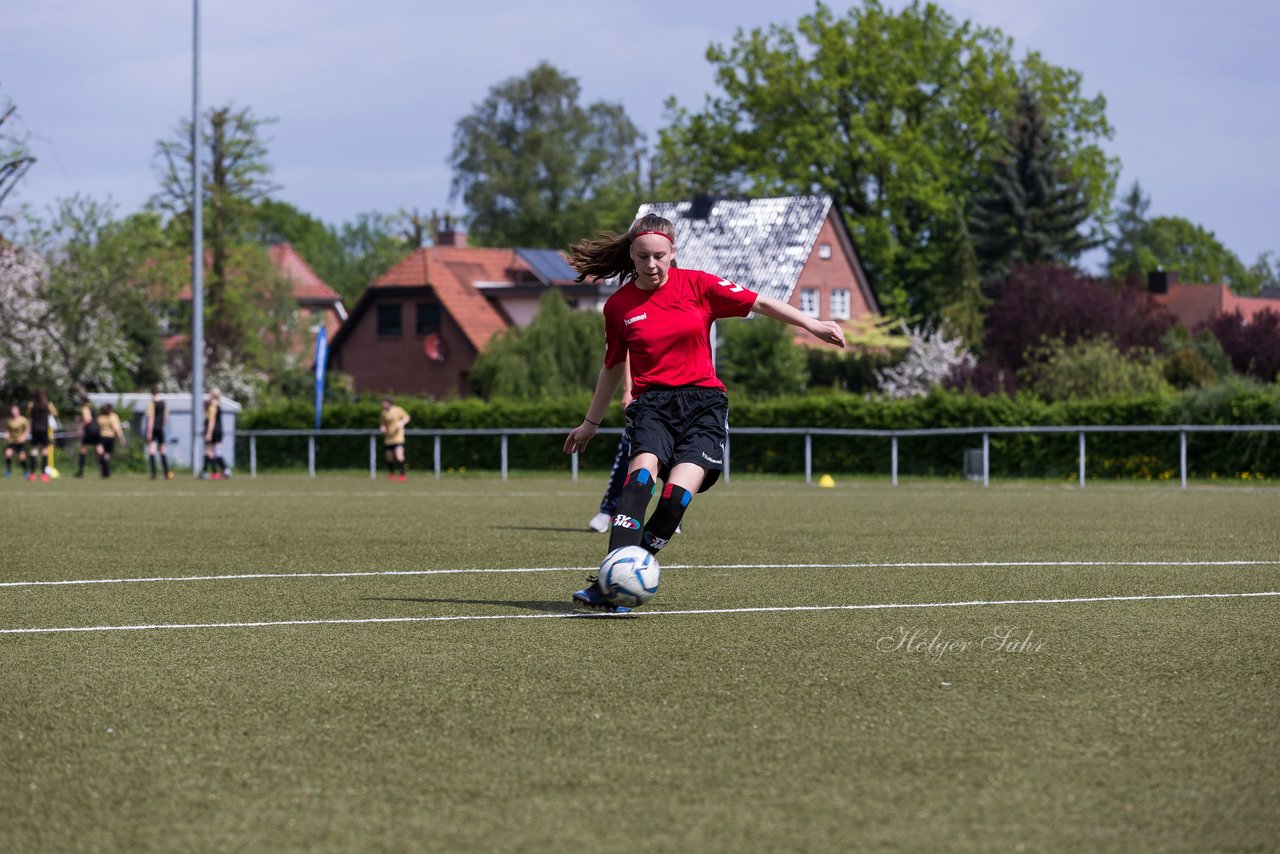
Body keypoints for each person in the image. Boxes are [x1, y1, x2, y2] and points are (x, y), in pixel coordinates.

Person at [563, 213, 845, 611]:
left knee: (675, 499)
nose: (652, 265)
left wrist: (812, 324)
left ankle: (623, 576)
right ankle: (611, 584)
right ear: (632, 253)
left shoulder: (700, 284)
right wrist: (590, 423)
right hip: (652, 407)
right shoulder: (620, 306)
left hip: (704, 407)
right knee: (639, 481)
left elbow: (759, 301)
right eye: (643, 256)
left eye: (660, 256)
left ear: (673, 251)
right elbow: (611, 366)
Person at [26, 388, 57, 483]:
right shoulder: (48, 404)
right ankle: (43, 474)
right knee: (44, 451)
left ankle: (32, 474)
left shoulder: (32, 404)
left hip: (35, 430)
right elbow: (55, 413)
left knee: (34, 451)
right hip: (44, 430)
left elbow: (29, 415)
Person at [144, 387, 173, 480]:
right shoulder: (164, 404)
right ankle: (166, 473)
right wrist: (162, 427)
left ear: (151, 393)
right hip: (161, 429)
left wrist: (149, 432)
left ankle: (154, 474)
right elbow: (165, 418)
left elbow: (151, 419)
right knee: (163, 450)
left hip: (153, 429)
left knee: (152, 450)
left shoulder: (151, 404)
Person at [379, 397, 411, 481]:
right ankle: (391, 473)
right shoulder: (384, 413)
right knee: (389, 458)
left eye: (384, 403)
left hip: (398, 438)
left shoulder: (398, 409)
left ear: (389, 403)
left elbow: (407, 417)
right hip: (388, 439)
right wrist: (382, 428)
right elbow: (382, 424)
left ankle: (402, 475)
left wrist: (402, 422)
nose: (383, 405)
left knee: (399, 456)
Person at [202, 388, 229, 479]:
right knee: (216, 452)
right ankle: (224, 471)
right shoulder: (219, 405)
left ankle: (205, 472)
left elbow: (211, 421)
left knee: (208, 451)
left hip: (213, 431)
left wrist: (208, 433)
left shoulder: (212, 406)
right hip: (219, 431)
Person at [95, 402, 126, 478]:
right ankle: (106, 472)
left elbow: (96, 428)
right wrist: (121, 438)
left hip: (101, 437)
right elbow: (117, 429)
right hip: (110, 438)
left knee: (101, 454)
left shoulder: (100, 417)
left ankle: (105, 472)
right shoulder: (113, 416)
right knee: (106, 456)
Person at [75, 395, 100, 478]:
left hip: (89, 431)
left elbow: (88, 419)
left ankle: (80, 471)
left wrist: (80, 426)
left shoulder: (85, 409)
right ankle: (105, 470)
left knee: (83, 450)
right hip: (96, 430)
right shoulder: (94, 409)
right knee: (99, 449)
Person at [4, 404, 31, 479]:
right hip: (12, 441)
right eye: (12, 411)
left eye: (15, 411)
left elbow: (28, 428)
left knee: (22, 458)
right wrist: (6, 434)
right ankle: (8, 471)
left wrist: (24, 436)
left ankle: (26, 471)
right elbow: (7, 430)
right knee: (8, 454)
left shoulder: (23, 420)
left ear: (18, 412)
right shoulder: (8, 420)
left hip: (20, 441)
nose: (14, 412)